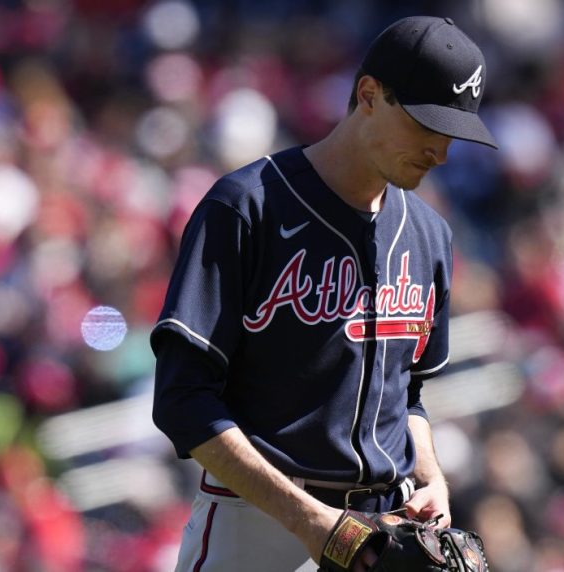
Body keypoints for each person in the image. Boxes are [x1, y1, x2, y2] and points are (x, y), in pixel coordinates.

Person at [150, 16, 497, 571]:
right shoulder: (247, 208)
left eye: (452, 134)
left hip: (385, 528)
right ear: (368, 95)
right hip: (258, 522)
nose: (441, 153)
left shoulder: (430, 235)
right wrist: (310, 520)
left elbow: (407, 394)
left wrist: (429, 474)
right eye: (426, 125)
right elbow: (182, 400)